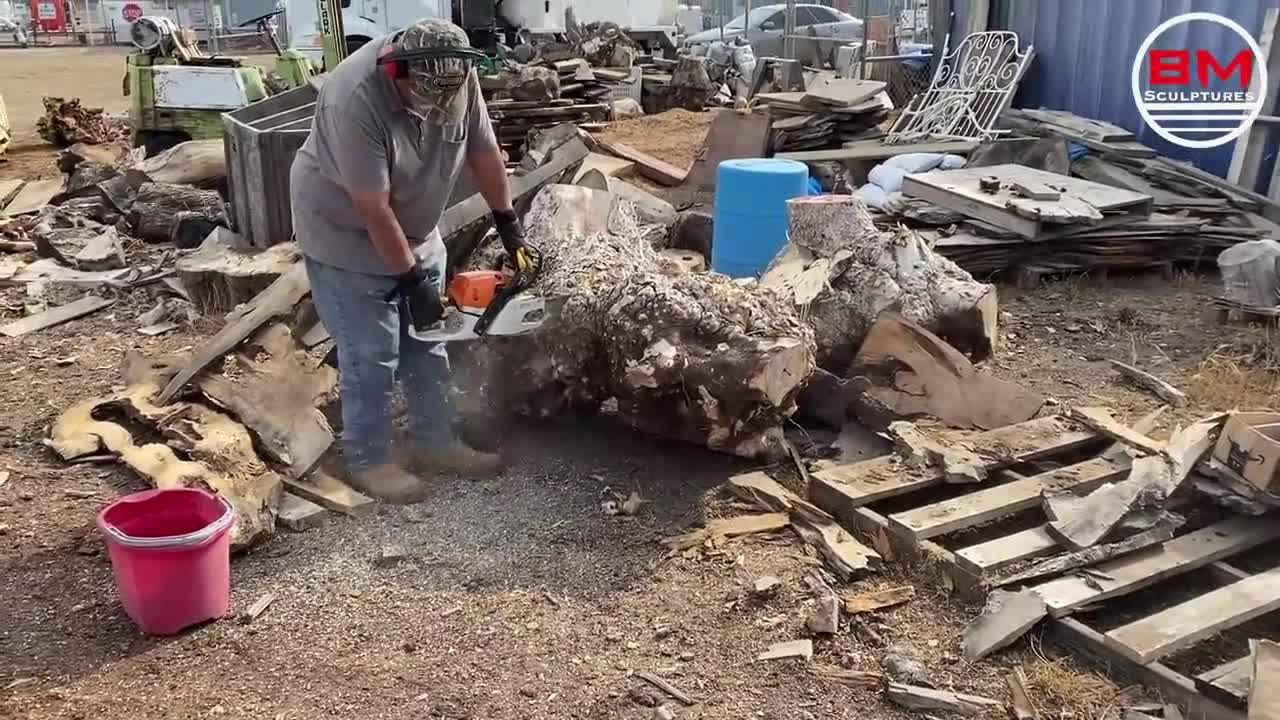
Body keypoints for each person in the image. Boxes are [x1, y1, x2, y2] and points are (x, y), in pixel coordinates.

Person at [289, 18, 524, 501]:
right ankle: (368, 459)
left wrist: (508, 223)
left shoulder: (454, 71)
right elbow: (373, 208)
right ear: (396, 71)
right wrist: (410, 280)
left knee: (429, 342)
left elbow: (484, 151)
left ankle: (436, 442)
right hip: (345, 230)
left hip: (416, 225)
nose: (437, 109)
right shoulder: (354, 98)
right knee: (372, 352)